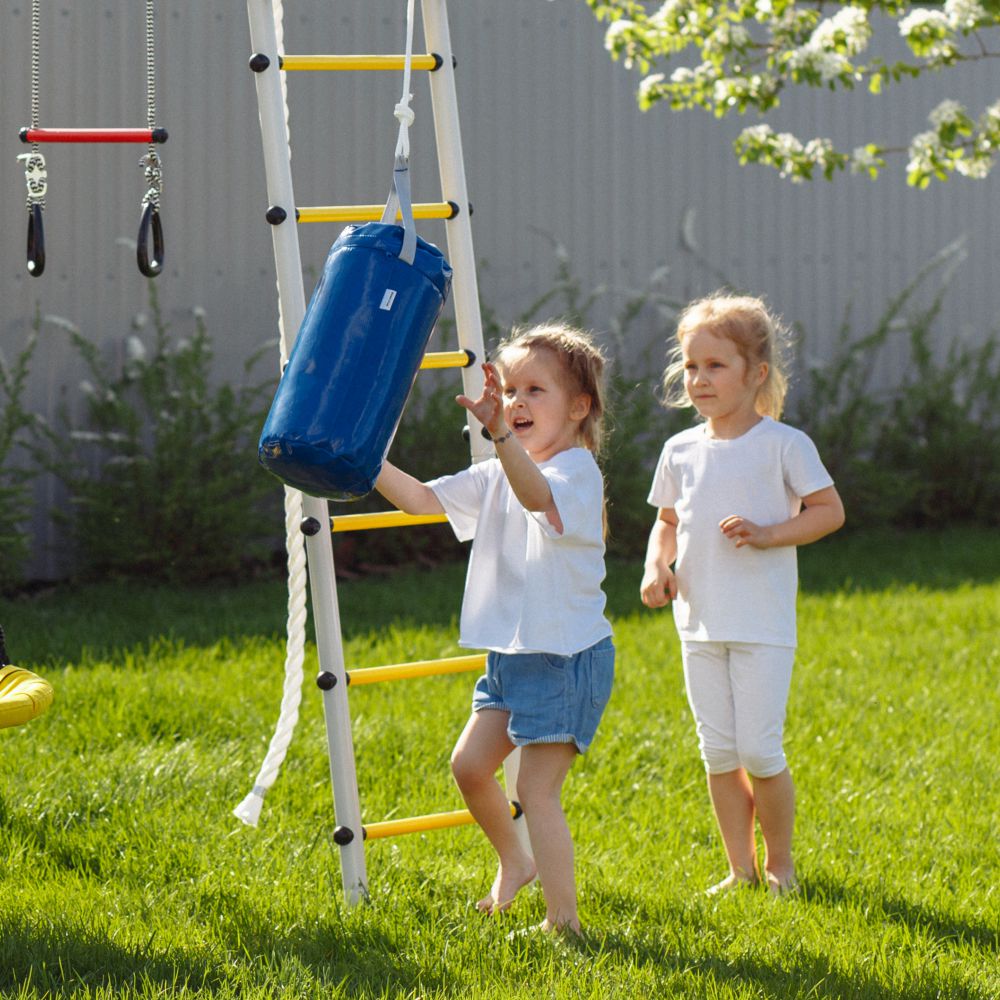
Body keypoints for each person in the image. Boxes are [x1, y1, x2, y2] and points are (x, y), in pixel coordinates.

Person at [375, 322, 614, 935]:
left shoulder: (575, 472)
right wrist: (364, 457)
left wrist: (500, 434)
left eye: (534, 390)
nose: (515, 402)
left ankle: (564, 922)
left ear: (578, 407)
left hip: (565, 659)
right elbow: (420, 501)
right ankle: (515, 861)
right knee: (469, 767)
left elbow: (536, 497)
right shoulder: (498, 471)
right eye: (508, 390)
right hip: (512, 657)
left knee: (536, 791)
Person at [640, 292, 845, 897]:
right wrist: (656, 566)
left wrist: (769, 534)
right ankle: (740, 868)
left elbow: (829, 511)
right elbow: (667, 521)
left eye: (715, 365)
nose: (699, 379)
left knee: (759, 751)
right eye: (690, 365)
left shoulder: (785, 444)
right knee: (718, 753)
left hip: (762, 626)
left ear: (756, 373)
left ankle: (780, 865)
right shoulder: (679, 450)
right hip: (698, 623)